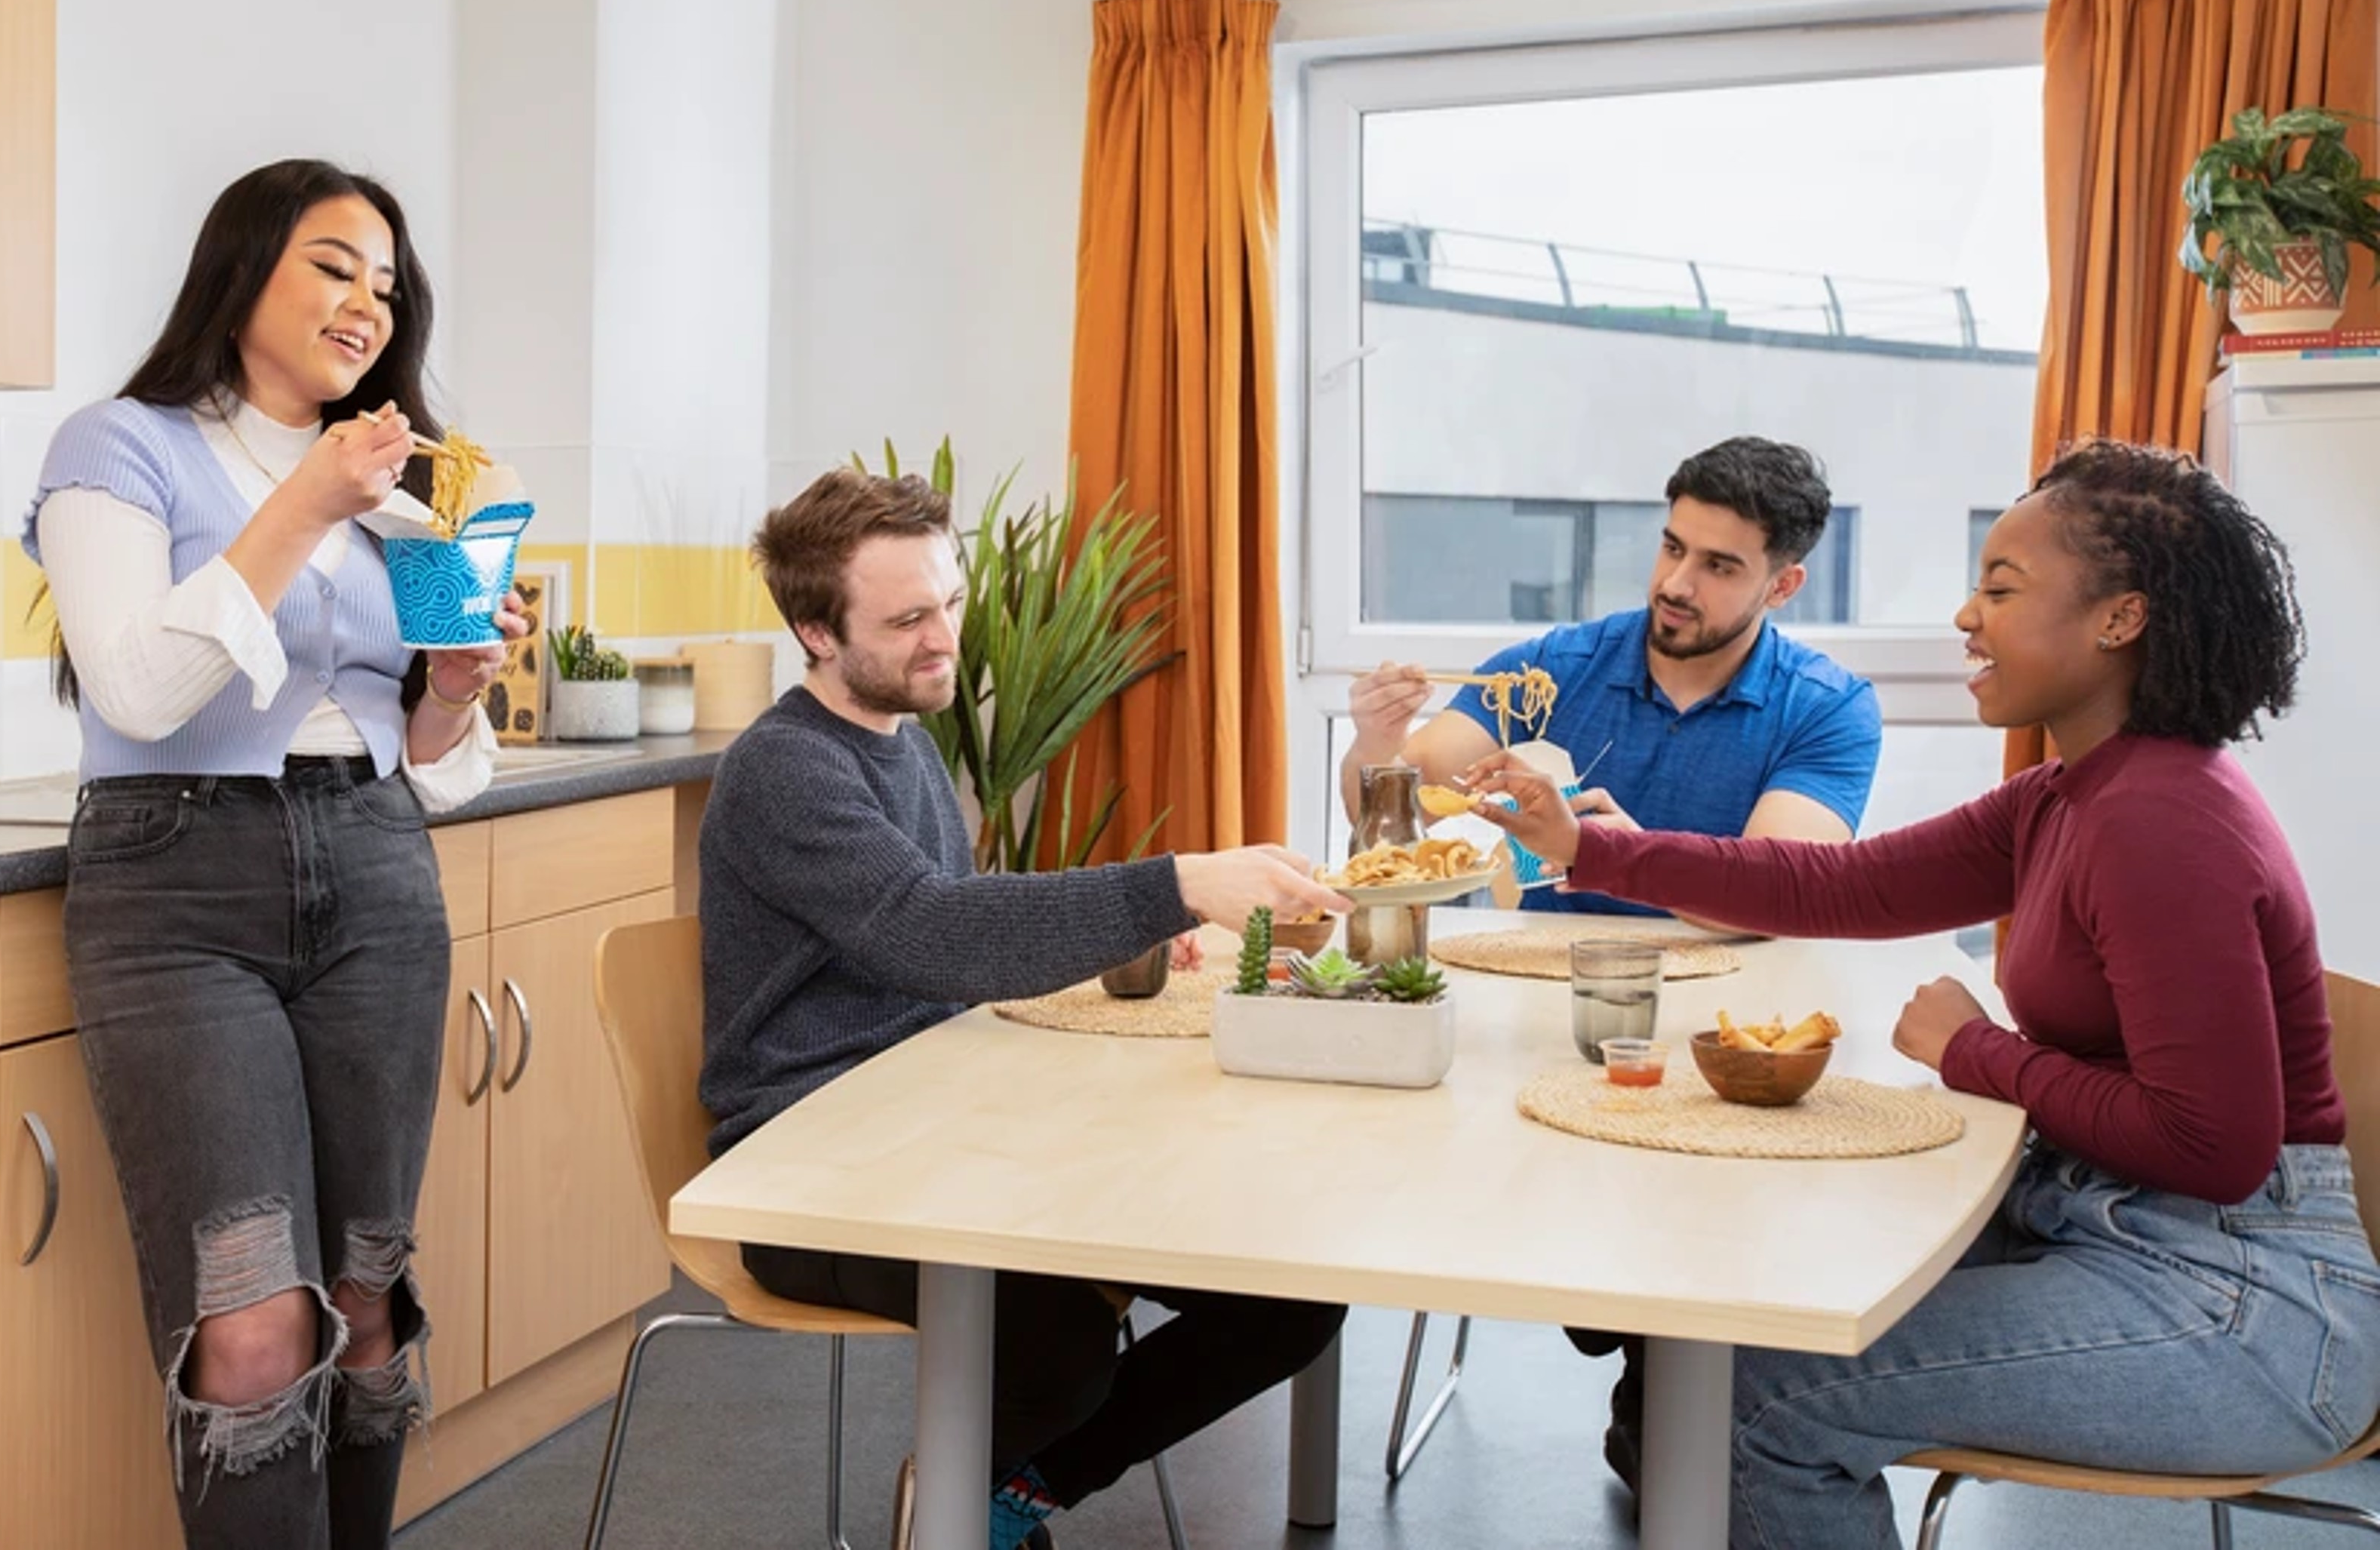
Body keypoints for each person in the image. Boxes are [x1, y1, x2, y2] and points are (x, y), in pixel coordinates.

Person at [1469, 439, 2380, 1550]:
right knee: (1743, 1307)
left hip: (2243, 1302)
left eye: (2002, 588)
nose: (1965, 615)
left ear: (2120, 619)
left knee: (1762, 1400)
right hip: (2111, 1225)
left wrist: (1976, 1051)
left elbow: (2215, 1146)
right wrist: (1592, 848)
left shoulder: (2160, 822)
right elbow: (1843, 884)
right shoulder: (2069, 794)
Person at [700, 466, 1351, 1550]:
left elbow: (951, 932)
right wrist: (1177, 883)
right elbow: (930, 930)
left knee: (1287, 1297)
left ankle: (1002, 1493)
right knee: (1052, 1336)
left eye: (950, 602)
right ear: (816, 631)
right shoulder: (784, 769)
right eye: (907, 619)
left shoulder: (903, 741)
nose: (944, 639)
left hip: (929, 1125)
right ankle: (956, 1508)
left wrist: (1129, 932)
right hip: (802, 1166)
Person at [23, 158, 524, 1550]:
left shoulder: (412, 491)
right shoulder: (119, 447)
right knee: (252, 1331)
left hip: (375, 871)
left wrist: (456, 684)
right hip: (177, 889)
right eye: (333, 266)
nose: (368, 303)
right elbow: (135, 689)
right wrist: (310, 499)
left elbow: (432, 759)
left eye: (388, 285)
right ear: (241, 271)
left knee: (365, 1303)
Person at [1341, 435, 1883, 917]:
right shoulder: (1551, 669)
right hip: (1545, 974)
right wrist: (1375, 742)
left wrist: (1622, 857)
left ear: (1782, 586)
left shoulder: (1827, 709)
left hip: (1737, 991)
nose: (1675, 584)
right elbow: (1392, 812)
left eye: (1718, 566)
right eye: (1673, 548)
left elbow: (1778, 894)